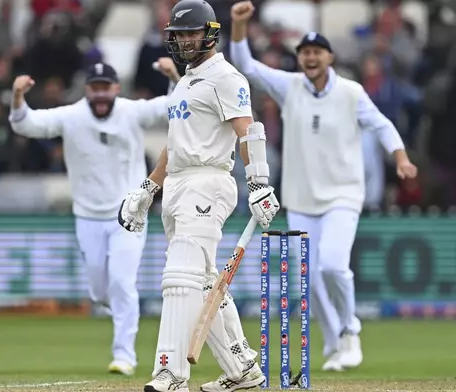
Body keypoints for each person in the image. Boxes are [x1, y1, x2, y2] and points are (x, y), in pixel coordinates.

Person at [229, 1, 418, 372]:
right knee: (310, 280)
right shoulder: (290, 87)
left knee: (332, 266)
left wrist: (400, 157)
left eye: (317, 52)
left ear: (329, 57)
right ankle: (334, 343)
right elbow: (246, 66)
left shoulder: (351, 92)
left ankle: (350, 332)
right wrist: (238, 25)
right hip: (301, 199)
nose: (310, 58)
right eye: (305, 53)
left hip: (343, 195)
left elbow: (380, 124)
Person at [117, 1, 280, 391]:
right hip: (177, 183)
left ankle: (170, 374)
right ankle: (243, 370)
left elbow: (249, 131)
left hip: (209, 181)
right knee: (205, 282)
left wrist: (258, 182)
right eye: (179, 34)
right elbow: (176, 145)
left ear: (210, 33)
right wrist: (148, 187)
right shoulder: (186, 82)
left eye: (192, 33)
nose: (186, 41)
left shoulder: (226, 77)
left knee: (180, 278)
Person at [9, 60, 179, 376]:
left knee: (122, 282)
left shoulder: (131, 111)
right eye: (95, 87)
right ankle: (119, 319)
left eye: (106, 87)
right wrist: (18, 96)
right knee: (101, 291)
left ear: (116, 88)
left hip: (129, 213)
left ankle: (124, 355)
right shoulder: (72, 116)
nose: (100, 94)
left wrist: (172, 76)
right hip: (87, 216)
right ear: (87, 89)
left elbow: (171, 107)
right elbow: (26, 124)